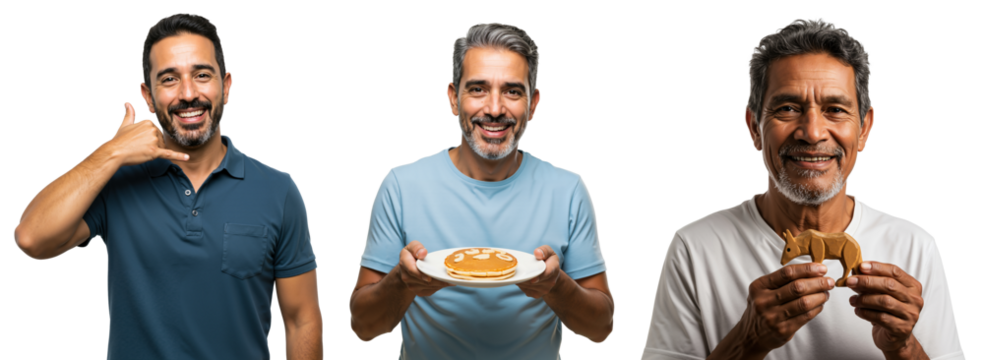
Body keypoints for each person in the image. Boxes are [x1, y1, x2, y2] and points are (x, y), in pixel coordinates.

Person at [640, 17, 964, 360]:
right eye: (788, 108)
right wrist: (747, 343)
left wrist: (903, 347)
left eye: (835, 110)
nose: (812, 133)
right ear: (754, 128)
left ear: (865, 129)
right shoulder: (694, 248)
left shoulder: (915, 247)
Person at [12, 11, 322, 360]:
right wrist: (112, 151)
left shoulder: (278, 191)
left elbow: (301, 320)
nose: (188, 94)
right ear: (147, 95)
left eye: (202, 75)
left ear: (227, 85)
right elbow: (31, 238)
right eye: (169, 79)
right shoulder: (116, 182)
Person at [348, 21, 615, 359]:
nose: (494, 108)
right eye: (477, 89)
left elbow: (602, 328)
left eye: (512, 91)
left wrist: (556, 287)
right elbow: (363, 328)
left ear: (533, 104)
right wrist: (402, 282)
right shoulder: (401, 186)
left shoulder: (567, 189)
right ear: (454, 99)